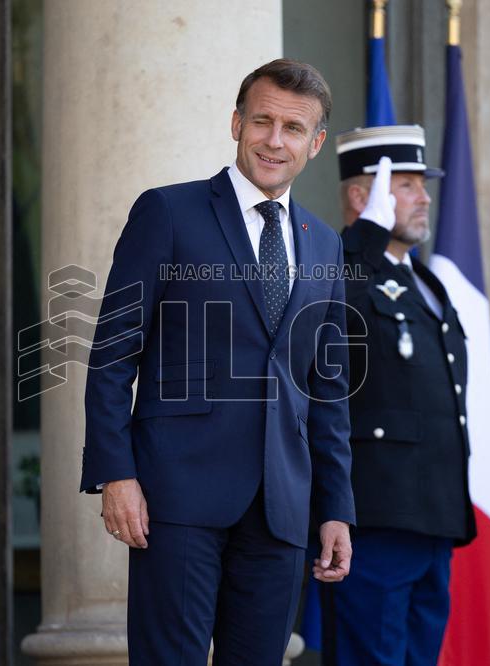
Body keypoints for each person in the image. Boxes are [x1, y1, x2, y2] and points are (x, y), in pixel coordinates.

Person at [79, 59, 356, 665]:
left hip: (282, 508)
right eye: (262, 121)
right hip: (175, 497)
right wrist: (115, 473)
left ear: (315, 143)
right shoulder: (168, 213)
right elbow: (112, 353)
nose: (274, 141)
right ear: (236, 123)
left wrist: (335, 507)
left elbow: (327, 390)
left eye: (292, 128)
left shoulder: (325, 244)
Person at [305, 125, 477, 665]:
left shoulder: (427, 281)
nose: (424, 196)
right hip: (374, 518)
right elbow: (323, 310)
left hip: (432, 517)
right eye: (405, 185)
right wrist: (368, 235)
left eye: (421, 184)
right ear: (364, 196)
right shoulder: (345, 265)